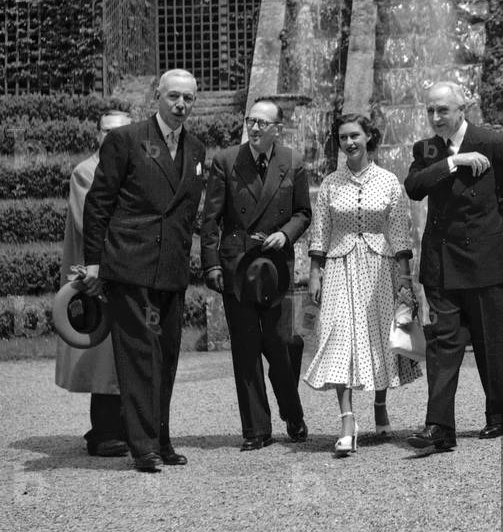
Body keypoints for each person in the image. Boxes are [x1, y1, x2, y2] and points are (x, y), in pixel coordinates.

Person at [81, 70, 205, 473]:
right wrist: (96, 262)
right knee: (138, 357)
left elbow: (187, 212)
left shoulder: (197, 149)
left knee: (166, 356)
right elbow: (99, 203)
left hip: (170, 268)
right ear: (157, 96)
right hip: (130, 264)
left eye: (187, 98)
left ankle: (161, 439)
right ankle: (143, 447)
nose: (180, 105)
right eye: (173, 97)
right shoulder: (126, 140)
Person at [404, 81, 503, 453]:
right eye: (430, 111)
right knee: (442, 345)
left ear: (462, 109)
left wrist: (489, 230)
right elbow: (414, 187)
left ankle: (498, 415)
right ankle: (439, 427)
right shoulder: (426, 150)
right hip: (441, 262)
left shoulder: (490, 141)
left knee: (491, 342)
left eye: (443, 110)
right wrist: (453, 162)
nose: (436, 117)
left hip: (484, 261)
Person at [304, 113, 421, 456]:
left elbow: (400, 231)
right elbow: (320, 231)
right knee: (338, 335)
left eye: (355, 135)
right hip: (339, 265)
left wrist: (404, 279)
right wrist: (315, 272)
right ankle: (347, 422)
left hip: (379, 267)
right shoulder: (328, 184)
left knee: (377, 336)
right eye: (343, 138)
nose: (349, 143)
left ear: (369, 137)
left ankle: (380, 406)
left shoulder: (388, 182)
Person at [200, 97, 311, 451]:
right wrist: (212, 264)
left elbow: (303, 212)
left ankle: (292, 413)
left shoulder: (293, 162)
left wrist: (286, 233)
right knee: (246, 350)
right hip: (238, 267)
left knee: (285, 344)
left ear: (278, 128)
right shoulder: (226, 161)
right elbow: (211, 219)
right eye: (251, 120)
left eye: (263, 122)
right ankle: (256, 430)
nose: (255, 127)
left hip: (277, 267)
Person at [54, 110, 133, 457]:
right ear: (98, 134)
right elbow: (94, 223)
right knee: (103, 358)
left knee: (124, 355)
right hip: (98, 274)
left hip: (123, 271)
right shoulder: (87, 171)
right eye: (110, 131)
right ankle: (102, 432)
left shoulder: (125, 168)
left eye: (124, 132)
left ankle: (127, 427)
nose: (116, 137)